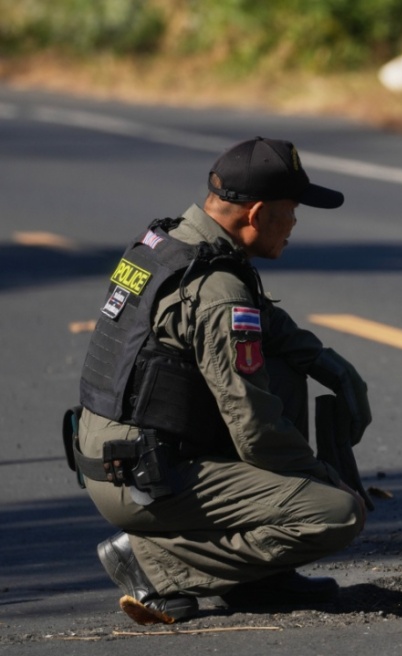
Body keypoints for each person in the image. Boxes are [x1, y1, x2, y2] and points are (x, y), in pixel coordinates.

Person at [70, 137, 372, 625]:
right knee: (334, 514)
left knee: (283, 367)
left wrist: (329, 365)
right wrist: (320, 477)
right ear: (255, 214)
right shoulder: (218, 291)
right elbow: (253, 428)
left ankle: (262, 579)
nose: (295, 223)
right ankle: (152, 563)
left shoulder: (171, 244)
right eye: (290, 210)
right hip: (144, 479)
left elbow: (262, 321)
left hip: (122, 457)